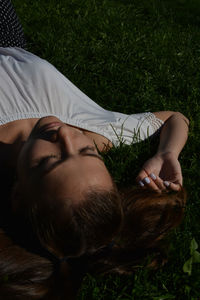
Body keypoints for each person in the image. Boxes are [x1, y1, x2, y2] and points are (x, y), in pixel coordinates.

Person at [0, 1, 189, 299]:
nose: (65, 135)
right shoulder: (93, 131)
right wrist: (167, 154)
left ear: (18, 194)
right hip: (8, 37)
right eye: (87, 152)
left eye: (50, 160)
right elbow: (175, 119)